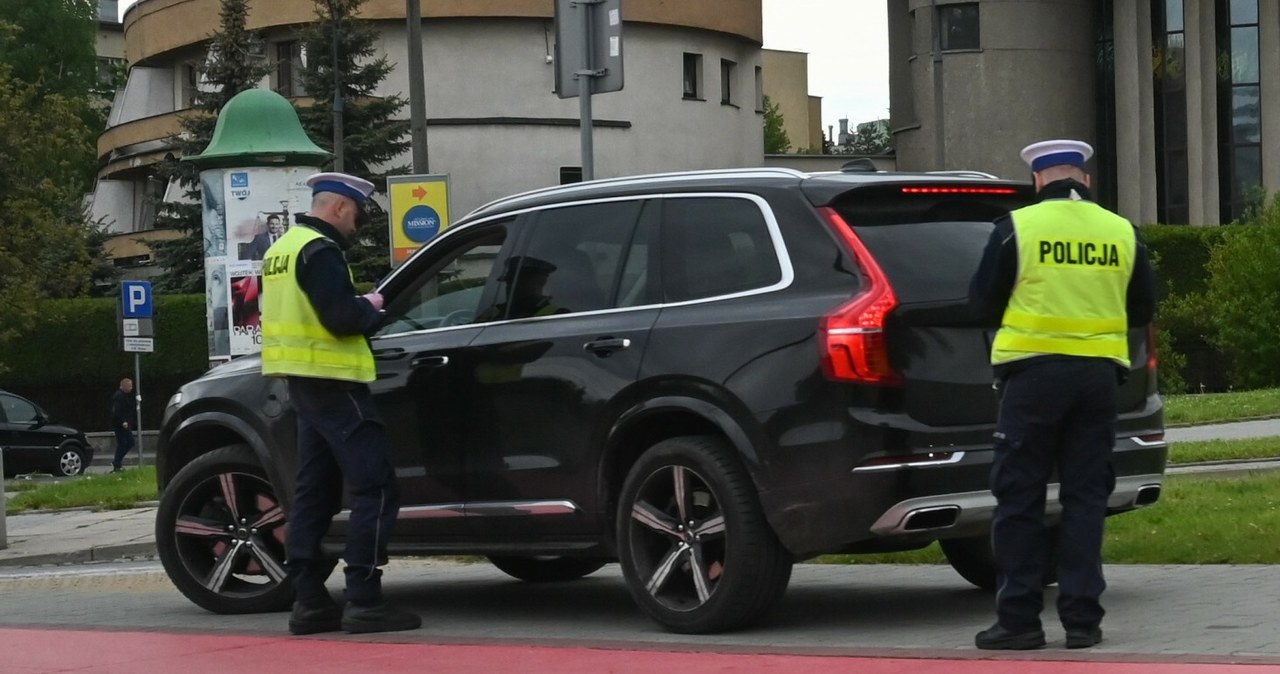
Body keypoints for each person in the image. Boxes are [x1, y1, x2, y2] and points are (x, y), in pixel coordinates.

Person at [969, 140, 1157, 650]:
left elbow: (981, 301)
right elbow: (1143, 305)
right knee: (1085, 498)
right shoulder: (1121, 231)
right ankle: (1082, 621)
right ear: (1085, 181)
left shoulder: (1018, 228)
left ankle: (1019, 621)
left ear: (1038, 180)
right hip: (1097, 382)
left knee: (1020, 498)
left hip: (1032, 380)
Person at [259, 171, 421, 636]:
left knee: (315, 491)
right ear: (339, 208)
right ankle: (365, 598)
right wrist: (371, 307)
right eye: (357, 215)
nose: (357, 226)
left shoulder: (282, 250)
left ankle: (309, 601)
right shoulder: (320, 250)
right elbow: (341, 318)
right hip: (335, 383)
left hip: (302, 385)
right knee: (377, 487)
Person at [109, 378, 136, 472]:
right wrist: (123, 421)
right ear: (124, 386)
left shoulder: (124, 395)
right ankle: (116, 463)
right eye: (130, 386)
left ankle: (117, 463)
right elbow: (117, 411)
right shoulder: (119, 396)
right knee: (126, 443)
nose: (131, 388)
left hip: (124, 423)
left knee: (126, 443)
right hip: (121, 425)